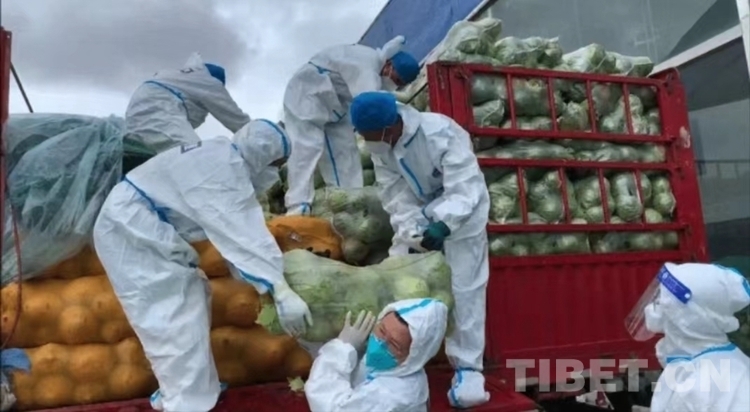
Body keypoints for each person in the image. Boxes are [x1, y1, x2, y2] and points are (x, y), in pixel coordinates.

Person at [92, 119, 312, 412]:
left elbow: (227, 228)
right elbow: (240, 231)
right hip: (129, 229)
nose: (273, 171)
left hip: (136, 224)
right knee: (171, 314)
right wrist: (280, 288)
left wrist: (259, 276)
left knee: (189, 299)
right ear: (263, 152)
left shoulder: (219, 154)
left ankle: (192, 390)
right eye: (276, 163)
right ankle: (184, 403)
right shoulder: (221, 169)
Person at [347, 92, 491, 408]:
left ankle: (468, 369)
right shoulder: (382, 147)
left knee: (464, 288)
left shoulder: (439, 132)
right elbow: (394, 194)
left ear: (389, 126)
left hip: (462, 218)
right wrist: (411, 229)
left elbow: (465, 186)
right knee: (396, 277)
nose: (367, 141)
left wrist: (444, 224)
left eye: (369, 135)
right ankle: (386, 356)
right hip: (422, 217)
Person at [282, 37, 421, 216]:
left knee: (346, 153)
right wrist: (408, 119)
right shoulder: (367, 64)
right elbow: (372, 103)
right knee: (306, 149)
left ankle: (351, 204)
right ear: (388, 65)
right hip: (305, 96)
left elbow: (375, 97)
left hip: (336, 107)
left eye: (400, 84)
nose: (395, 85)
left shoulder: (375, 69)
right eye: (396, 80)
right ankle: (298, 207)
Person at [626, 262, 750, 412]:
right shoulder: (692, 363)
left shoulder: (719, 379)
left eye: (662, 301)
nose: (653, 308)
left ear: (687, 316)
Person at [305, 298, 449, 412]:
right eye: (381, 330)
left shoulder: (393, 394)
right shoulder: (393, 367)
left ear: (413, 358)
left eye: (394, 344)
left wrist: (340, 350)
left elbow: (331, 406)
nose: (380, 343)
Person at [124, 52, 251, 154]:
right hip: (162, 110)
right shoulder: (208, 82)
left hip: (136, 113)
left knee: (148, 151)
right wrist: (257, 135)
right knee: (192, 155)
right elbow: (235, 118)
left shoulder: (176, 76)